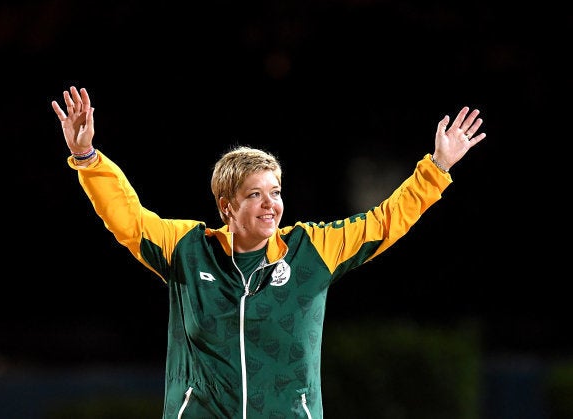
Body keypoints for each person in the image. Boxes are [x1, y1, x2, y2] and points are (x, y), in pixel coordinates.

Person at [52, 86, 485, 419]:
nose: (270, 204)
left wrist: (438, 168)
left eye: (275, 192)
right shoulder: (187, 250)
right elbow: (127, 218)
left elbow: (385, 221)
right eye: (254, 194)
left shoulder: (311, 249)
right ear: (227, 206)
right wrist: (87, 158)